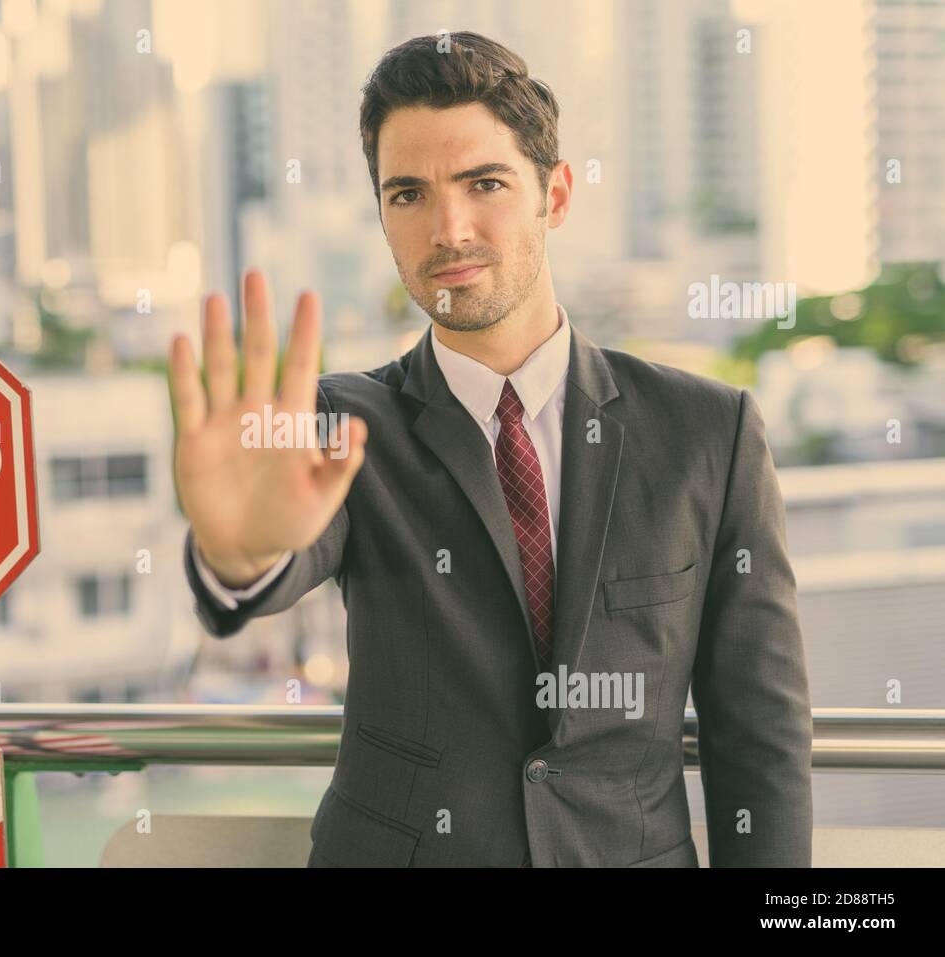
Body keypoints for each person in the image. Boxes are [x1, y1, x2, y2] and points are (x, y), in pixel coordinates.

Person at [167, 31, 812, 867]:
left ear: (557, 193)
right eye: (407, 194)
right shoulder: (339, 423)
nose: (449, 228)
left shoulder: (708, 433)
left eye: (485, 183)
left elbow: (759, 734)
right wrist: (236, 549)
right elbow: (270, 559)